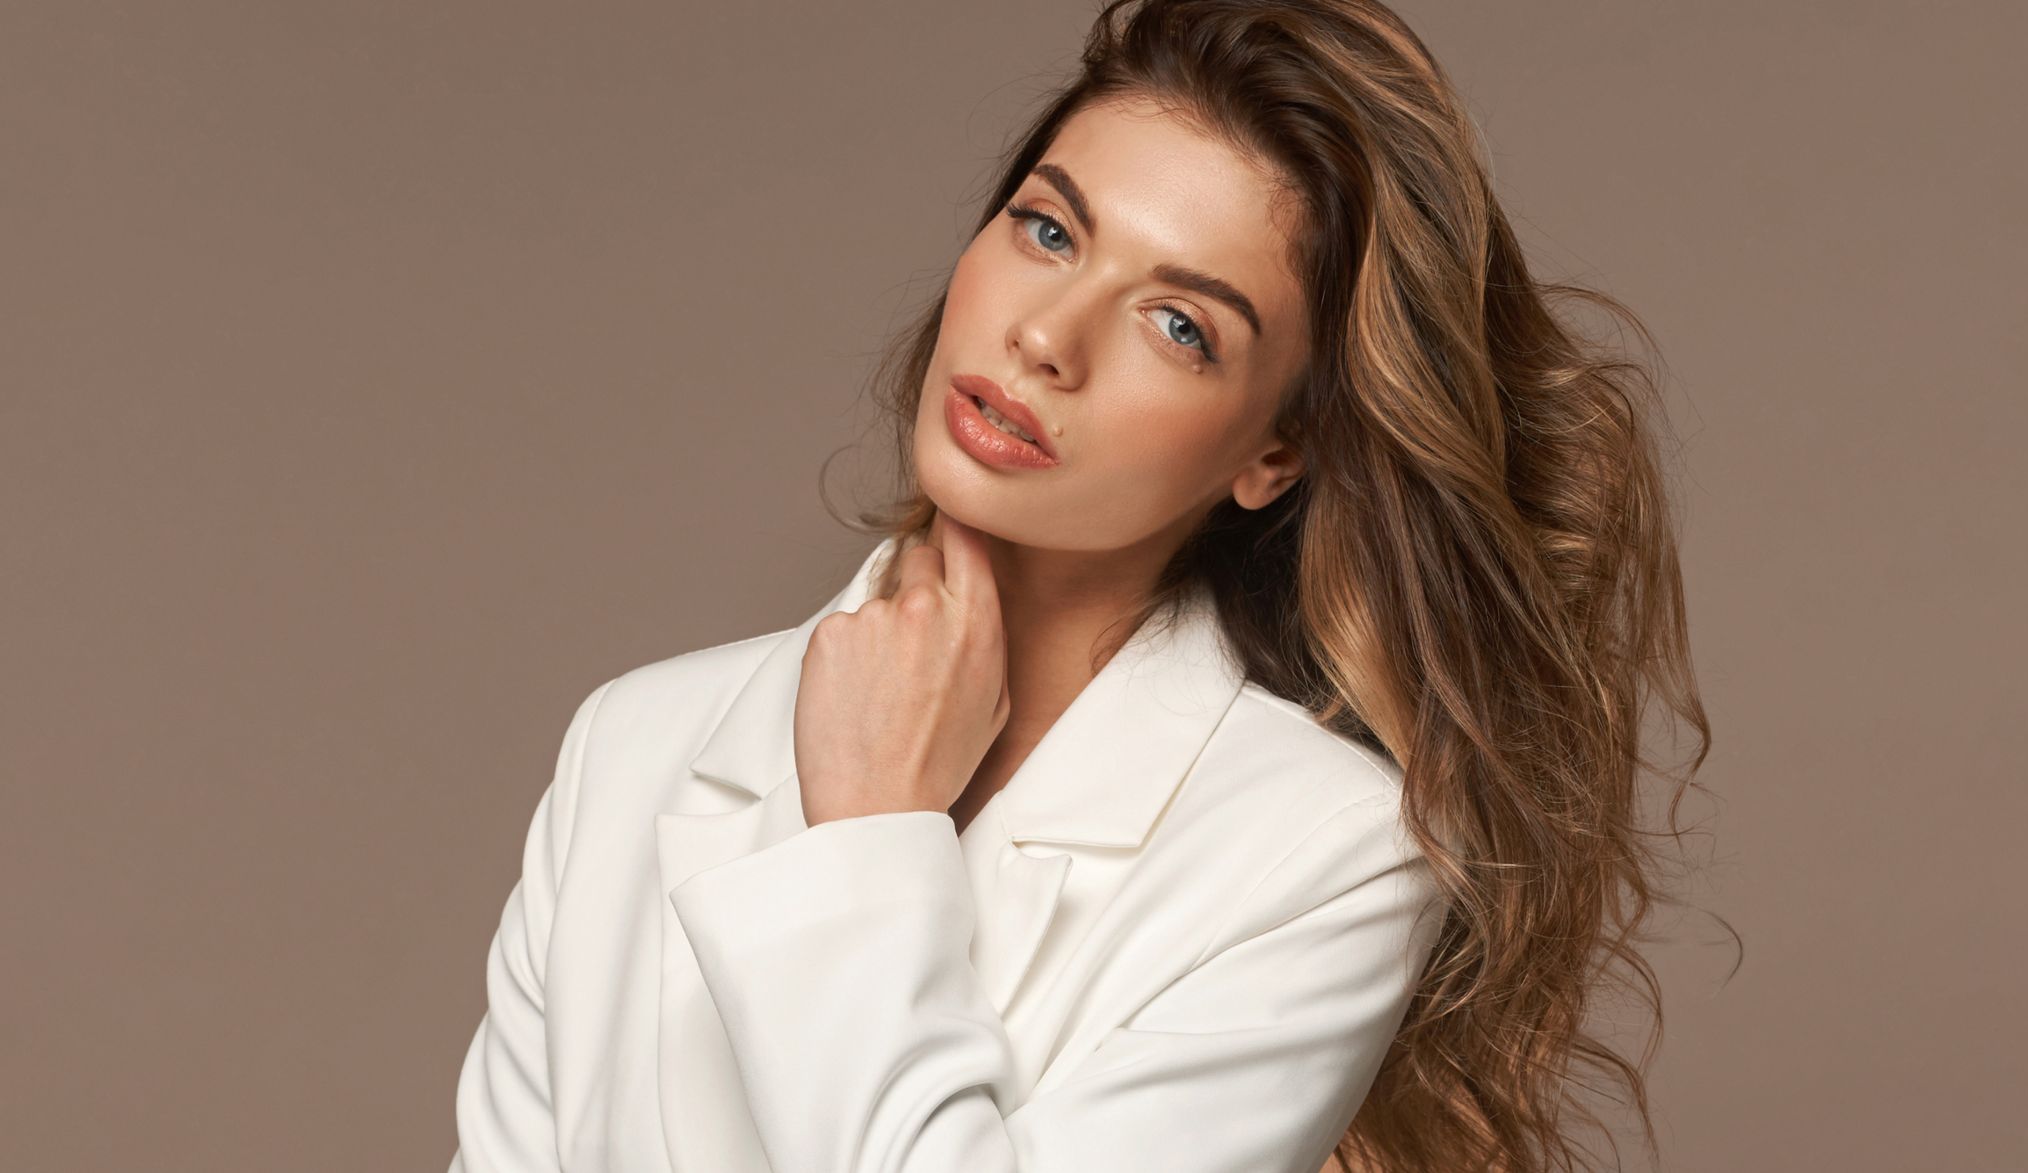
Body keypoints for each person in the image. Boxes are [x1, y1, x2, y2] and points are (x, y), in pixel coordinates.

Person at [447, 1, 1713, 1170]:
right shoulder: (633, 746)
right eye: (1047, 230)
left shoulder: (1321, 856)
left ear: (1277, 452)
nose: (1047, 336)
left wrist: (866, 838)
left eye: (1180, 325)